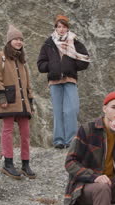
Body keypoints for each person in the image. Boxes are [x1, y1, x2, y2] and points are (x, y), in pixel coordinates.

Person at [0, 25, 36, 180]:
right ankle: (8, 163)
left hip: (23, 103)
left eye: (21, 39)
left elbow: (28, 84)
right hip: (8, 101)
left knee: (26, 133)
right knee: (7, 131)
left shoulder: (22, 60)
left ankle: (25, 163)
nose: (18, 42)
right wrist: (1, 97)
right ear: (9, 41)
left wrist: (31, 103)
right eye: (16, 39)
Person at [37, 14, 90, 149]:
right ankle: (59, 140)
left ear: (67, 28)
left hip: (70, 79)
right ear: (55, 27)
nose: (61, 29)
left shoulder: (74, 41)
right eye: (59, 27)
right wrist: (51, 67)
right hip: (54, 81)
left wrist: (71, 67)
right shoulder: (49, 43)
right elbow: (40, 64)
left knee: (71, 109)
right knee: (58, 111)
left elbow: (85, 60)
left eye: (64, 27)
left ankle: (71, 140)